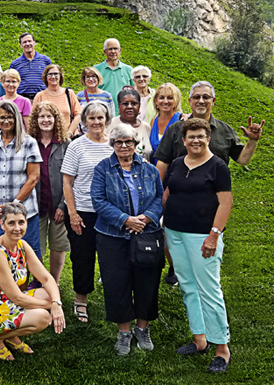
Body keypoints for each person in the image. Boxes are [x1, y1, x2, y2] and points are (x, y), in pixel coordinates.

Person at [163, 118, 234, 373]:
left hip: (202, 236)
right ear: (184, 141)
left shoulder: (217, 167)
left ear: (208, 139)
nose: (195, 140)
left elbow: (225, 202)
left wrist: (214, 234)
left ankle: (221, 348)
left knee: (209, 289)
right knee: (188, 286)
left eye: (200, 136)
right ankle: (199, 339)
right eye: (190, 136)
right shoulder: (177, 164)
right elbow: (169, 192)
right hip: (174, 233)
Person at [91, 124, 164, 355]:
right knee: (116, 283)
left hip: (146, 234)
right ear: (112, 145)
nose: (124, 146)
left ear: (136, 144)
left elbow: (159, 196)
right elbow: (98, 200)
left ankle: (142, 328)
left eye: (128, 142)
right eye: (119, 142)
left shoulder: (150, 169)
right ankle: (124, 332)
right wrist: (125, 220)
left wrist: (147, 217)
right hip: (112, 236)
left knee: (146, 282)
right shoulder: (103, 169)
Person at [0, 202, 65, 362]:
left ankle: (9, 335)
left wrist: (56, 302)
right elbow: (17, 298)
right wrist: (51, 307)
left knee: (49, 295)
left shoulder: (22, 245)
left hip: (6, 301)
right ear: (2, 224)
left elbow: (47, 278)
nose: (17, 228)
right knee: (43, 318)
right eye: (11, 223)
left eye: (21, 222)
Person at [61, 100, 113, 323]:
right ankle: (81, 299)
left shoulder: (114, 144)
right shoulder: (76, 145)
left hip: (110, 213)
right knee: (82, 257)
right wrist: (72, 213)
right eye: (91, 118)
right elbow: (67, 182)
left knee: (112, 258)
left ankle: (114, 299)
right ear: (83, 122)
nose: (96, 122)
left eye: (100, 117)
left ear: (107, 120)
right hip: (83, 211)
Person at [155, 81, 264, 178]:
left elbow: (242, 159)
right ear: (190, 101)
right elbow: (163, 164)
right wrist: (158, 195)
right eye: (196, 97)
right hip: (180, 194)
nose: (201, 101)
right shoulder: (175, 129)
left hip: (214, 196)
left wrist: (253, 141)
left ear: (213, 101)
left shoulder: (225, 131)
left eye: (206, 97)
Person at [0, 101, 41, 257]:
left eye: (9, 117)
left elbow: (33, 177)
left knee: (25, 256)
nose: (5, 121)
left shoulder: (29, 143)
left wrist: (15, 204)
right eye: (1, 118)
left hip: (22, 212)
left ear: (17, 118)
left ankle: (22, 283)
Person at [26, 102, 71, 283]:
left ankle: (54, 282)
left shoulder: (65, 143)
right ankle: (38, 280)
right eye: (41, 117)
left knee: (58, 245)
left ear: (56, 119)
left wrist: (63, 206)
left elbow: (72, 178)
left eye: (49, 116)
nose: (45, 120)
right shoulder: (29, 143)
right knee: (35, 246)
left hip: (59, 203)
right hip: (36, 203)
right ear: (35, 120)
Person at [32, 64, 81, 137]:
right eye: (50, 74)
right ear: (46, 77)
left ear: (60, 76)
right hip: (47, 138)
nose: (53, 77)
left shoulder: (69, 93)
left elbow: (78, 115)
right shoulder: (40, 96)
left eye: (56, 74)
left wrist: (70, 132)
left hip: (69, 137)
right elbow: (34, 118)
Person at [107, 88, 152, 158]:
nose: (129, 106)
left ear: (139, 106)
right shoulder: (110, 124)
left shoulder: (146, 127)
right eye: (125, 104)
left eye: (134, 104)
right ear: (119, 106)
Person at [9, 33, 52, 100]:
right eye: (24, 42)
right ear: (21, 45)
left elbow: (51, 78)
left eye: (29, 41)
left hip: (43, 98)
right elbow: (10, 81)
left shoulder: (45, 60)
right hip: (22, 98)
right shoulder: (15, 64)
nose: (27, 44)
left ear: (34, 42)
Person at [147, 82, 183, 159]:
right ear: (156, 100)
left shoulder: (181, 119)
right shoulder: (153, 121)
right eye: (161, 97)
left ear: (176, 100)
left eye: (170, 98)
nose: (165, 101)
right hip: (154, 168)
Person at [94, 38, 133, 105]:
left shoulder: (129, 70)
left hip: (123, 111)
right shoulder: (96, 69)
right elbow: (91, 91)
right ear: (105, 52)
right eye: (110, 49)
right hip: (103, 110)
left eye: (115, 48)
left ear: (120, 51)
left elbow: (135, 91)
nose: (113, 51)